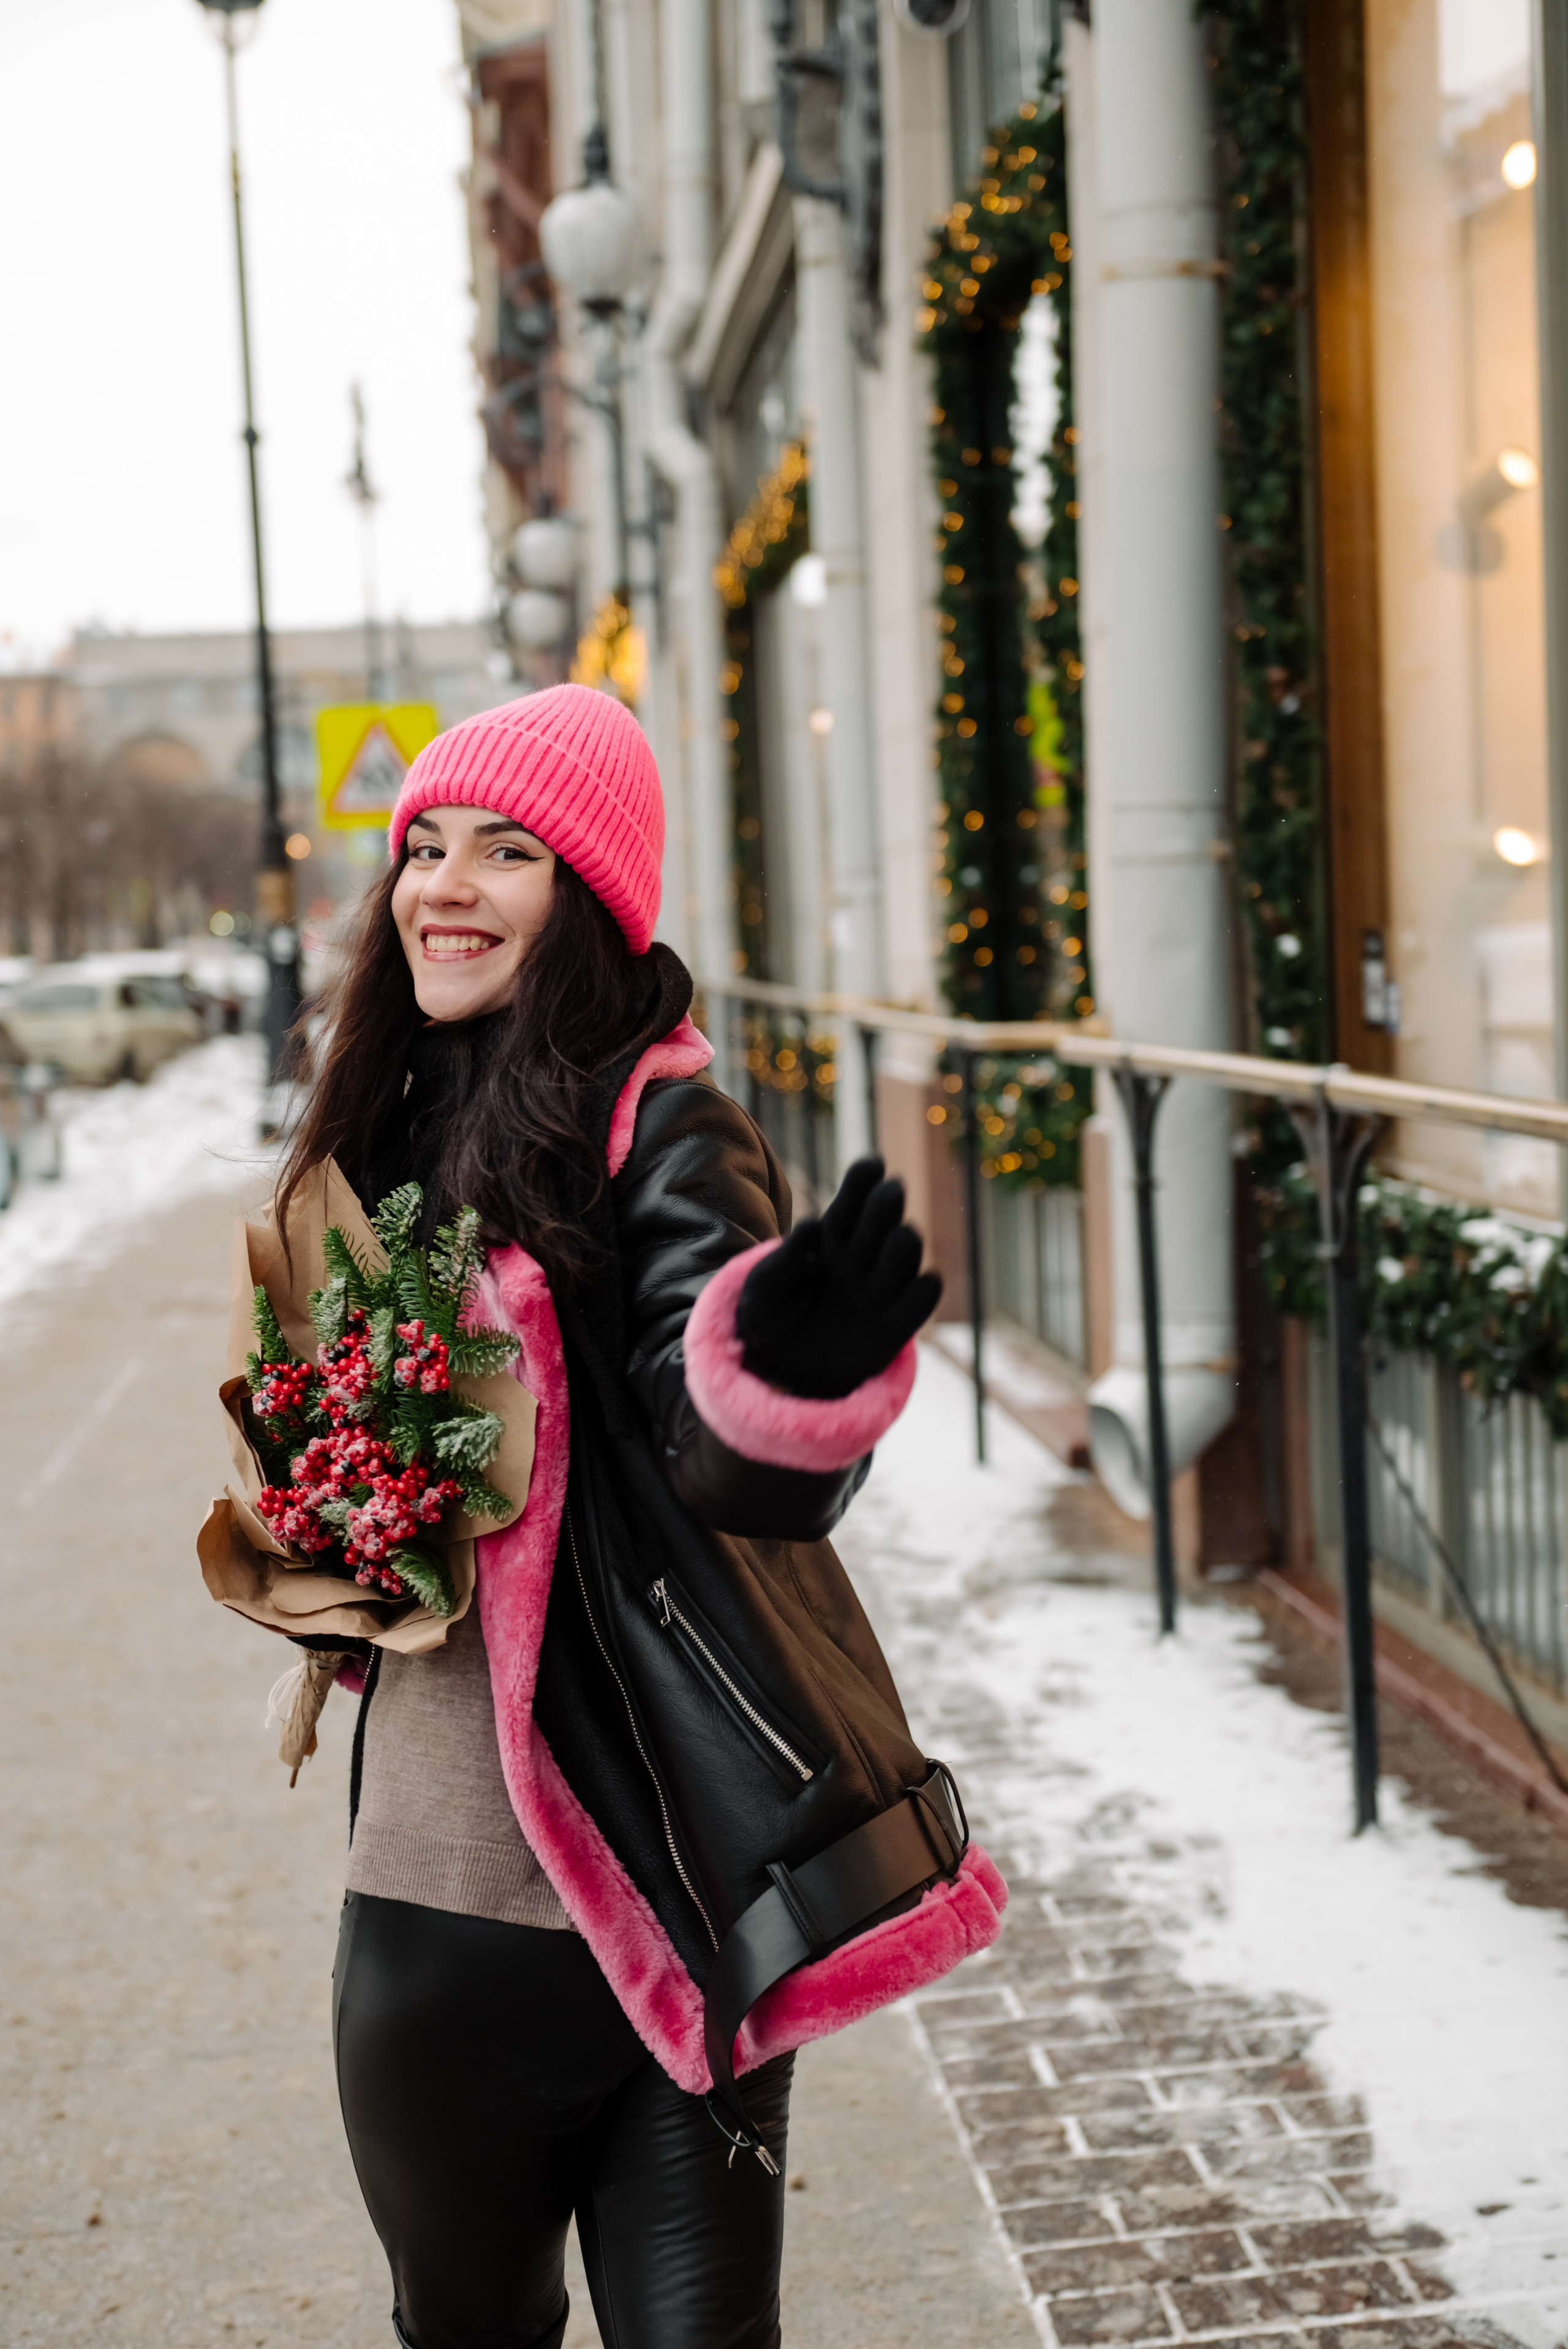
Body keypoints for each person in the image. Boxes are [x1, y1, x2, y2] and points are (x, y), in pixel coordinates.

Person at [274, 684, 1004, 2349]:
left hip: (665, 1898)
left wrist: (785, 1370)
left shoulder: (662, 1122)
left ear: (586, 897)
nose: (445, 884)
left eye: (506, 851)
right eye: (426, 847)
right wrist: (322, 1521)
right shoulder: (380, 1135)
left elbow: (718, 1447)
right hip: (434, 1894)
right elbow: (336, 1486)